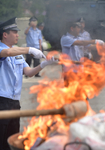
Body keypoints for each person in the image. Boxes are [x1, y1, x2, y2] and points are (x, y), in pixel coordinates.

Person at [0, 17, 57, 150]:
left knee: (13, 138)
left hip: (15, 102)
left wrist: (44, 64)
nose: (17, 35)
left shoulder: (17, 52)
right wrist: (29, 49)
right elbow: (7, 52)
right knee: (1, 139)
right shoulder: (5, 50)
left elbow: (29, 72)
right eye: (14, 32)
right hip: (2, 101)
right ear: (5, 34)